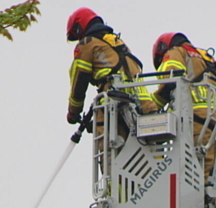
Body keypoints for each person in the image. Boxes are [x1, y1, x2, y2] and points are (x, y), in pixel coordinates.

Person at [151, 32, 216, 180]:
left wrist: (150, 107)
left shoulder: (175, 52)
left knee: (195, 177)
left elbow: (170, 82)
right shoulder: (208, 59)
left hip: (195, 122)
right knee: (210, 174)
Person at [65, 7, 156, 138]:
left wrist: (73, 112)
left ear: (80, 27)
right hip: (143, 107)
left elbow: (79, 80)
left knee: (109, 152)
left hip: (113, 105)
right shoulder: (117, 42)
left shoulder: (87, 44)